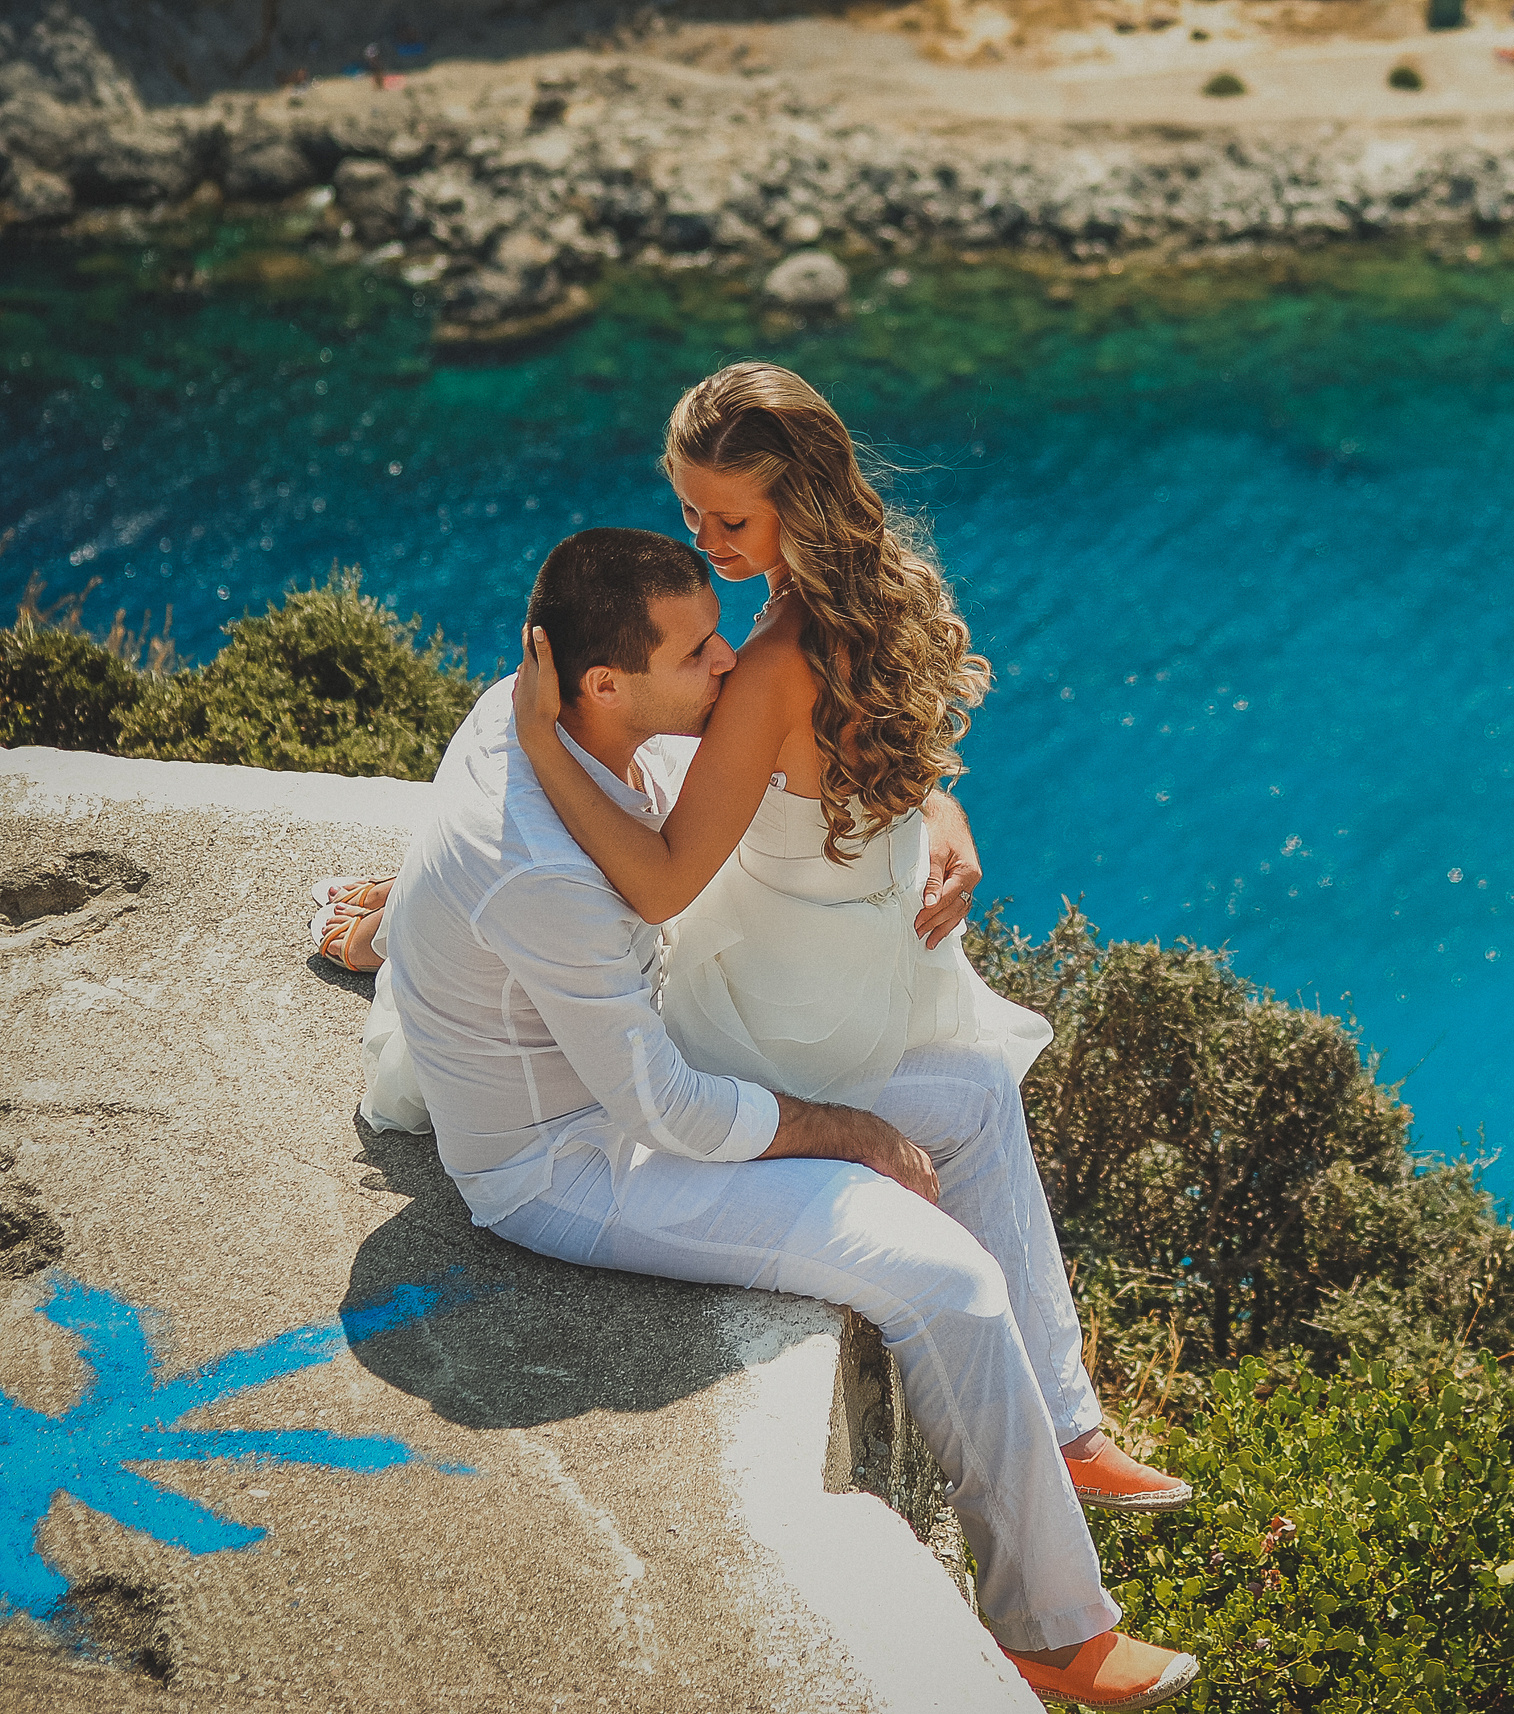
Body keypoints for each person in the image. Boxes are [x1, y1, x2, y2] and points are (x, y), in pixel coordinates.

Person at [371, 503, 1201, 1702]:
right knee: (945, 1281)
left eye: (721, 637)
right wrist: (850, 1133)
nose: (730, 664)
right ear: (603, 679)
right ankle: (1050, 1625)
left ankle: (1061, 1432)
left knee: (969, 1085)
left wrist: (934, 813)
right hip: (576, 1162)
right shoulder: (544, 871)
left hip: (647, 1063)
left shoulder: (562, 716)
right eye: (697, 654)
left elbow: (751, 797)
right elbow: (663, 1112)